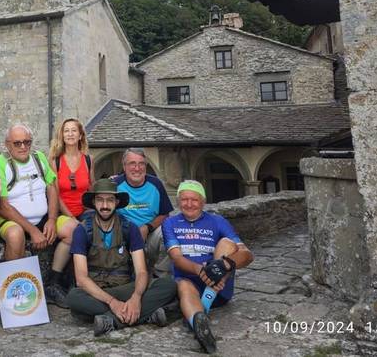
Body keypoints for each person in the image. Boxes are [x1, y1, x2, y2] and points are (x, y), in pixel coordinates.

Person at [66, 179, 176, 336]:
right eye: (100, 200)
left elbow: (142, 272)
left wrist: (136, 298)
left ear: (117, 202)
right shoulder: (82, 230)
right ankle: (145, 314)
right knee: (74, 298)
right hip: (97, 291)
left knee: (168, 285)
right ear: (93, 202)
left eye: (110, 200)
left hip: (125, 288)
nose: (105, 205)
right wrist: (112, 302)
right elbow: (82, 279)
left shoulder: (129, 228)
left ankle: (112, 320)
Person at [163, 180, 254, 354]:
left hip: (219, 288)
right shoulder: (170, 223)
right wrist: (200, 270)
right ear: (178, 201)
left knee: (227, 243)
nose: (189, 204)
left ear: (203, 202)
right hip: (189, 282)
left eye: (194, 200)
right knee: (183, 285)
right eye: (184, 200)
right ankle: (199, 323)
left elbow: (247, 254)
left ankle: (194, 309)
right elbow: (176, 258)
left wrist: (222, 268)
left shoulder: (217, 221)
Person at [0, 124, 78, 308]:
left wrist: (52, 219)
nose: (23, 147)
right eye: (17, 143)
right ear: (8, 144)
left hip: (42, 218)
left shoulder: (39, 158)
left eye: (27, 142)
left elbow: (52, 187)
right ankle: (13, 297)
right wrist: (32, 231)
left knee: (74, 229)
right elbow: (3, 206)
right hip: (11, 221)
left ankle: (53, 284)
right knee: (15, 237)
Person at [112, 148, 174, 276]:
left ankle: (160, 275)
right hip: (123, 237)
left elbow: (165, 214)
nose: (137, 168)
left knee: (169, 232)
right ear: (124, 166)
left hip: (150, 235)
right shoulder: (115, 185)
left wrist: (147, 227)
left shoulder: (156, 184)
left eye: (141, 164)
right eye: (132, 163)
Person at [48, 117, 94, 219]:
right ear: (62, 136)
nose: (70, 134)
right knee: (74, 229)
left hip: (86, 212)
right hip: (62, 214)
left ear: (80, 135)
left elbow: (92, 189)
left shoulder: (89, 160)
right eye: (66, 131)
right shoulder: (55, 161)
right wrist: (72, 218)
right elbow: (55, 195)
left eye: (74, 130)